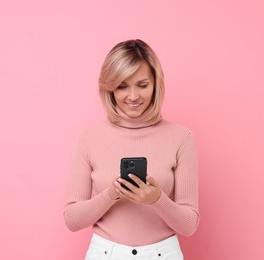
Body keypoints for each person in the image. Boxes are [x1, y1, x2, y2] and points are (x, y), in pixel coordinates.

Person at [64, 39, 199, 260]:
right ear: (110, 88)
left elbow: (189, 224)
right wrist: (111, 194)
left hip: (162, 254)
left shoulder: (181, 138)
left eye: (142, 85)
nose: (133, 96)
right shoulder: (89, 138)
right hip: (105, 253)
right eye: (122, 86)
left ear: (156, 84)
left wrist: (157, 198)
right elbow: (72, 219)